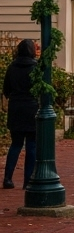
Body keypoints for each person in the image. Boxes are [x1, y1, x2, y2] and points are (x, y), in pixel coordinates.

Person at [3, 39, 38, 188]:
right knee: (31, 145)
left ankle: (8, 178)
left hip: (16, 107)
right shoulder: (36, 68)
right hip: (31, 107)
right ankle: (28, 180)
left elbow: (6, 90)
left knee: (16, 144)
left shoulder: (12, 67)